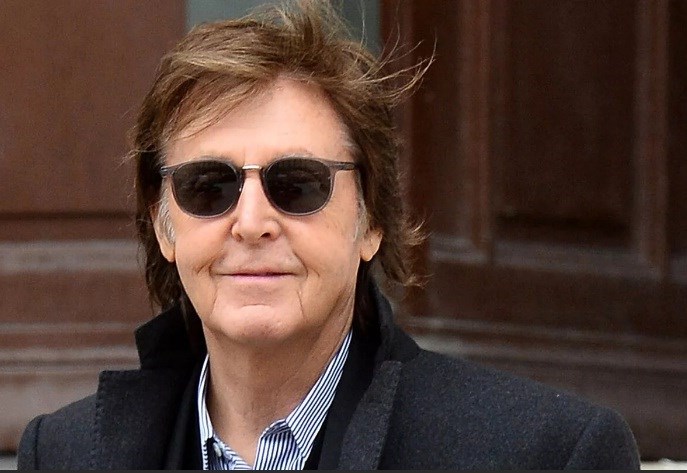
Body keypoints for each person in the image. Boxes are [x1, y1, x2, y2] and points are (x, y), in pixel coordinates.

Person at [17, 0, 640, 469]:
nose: (252, 222)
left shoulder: (544, 453)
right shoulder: (64, 454)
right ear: (163, 225)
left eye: (297, 184)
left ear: (371, 222)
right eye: (208, 187)